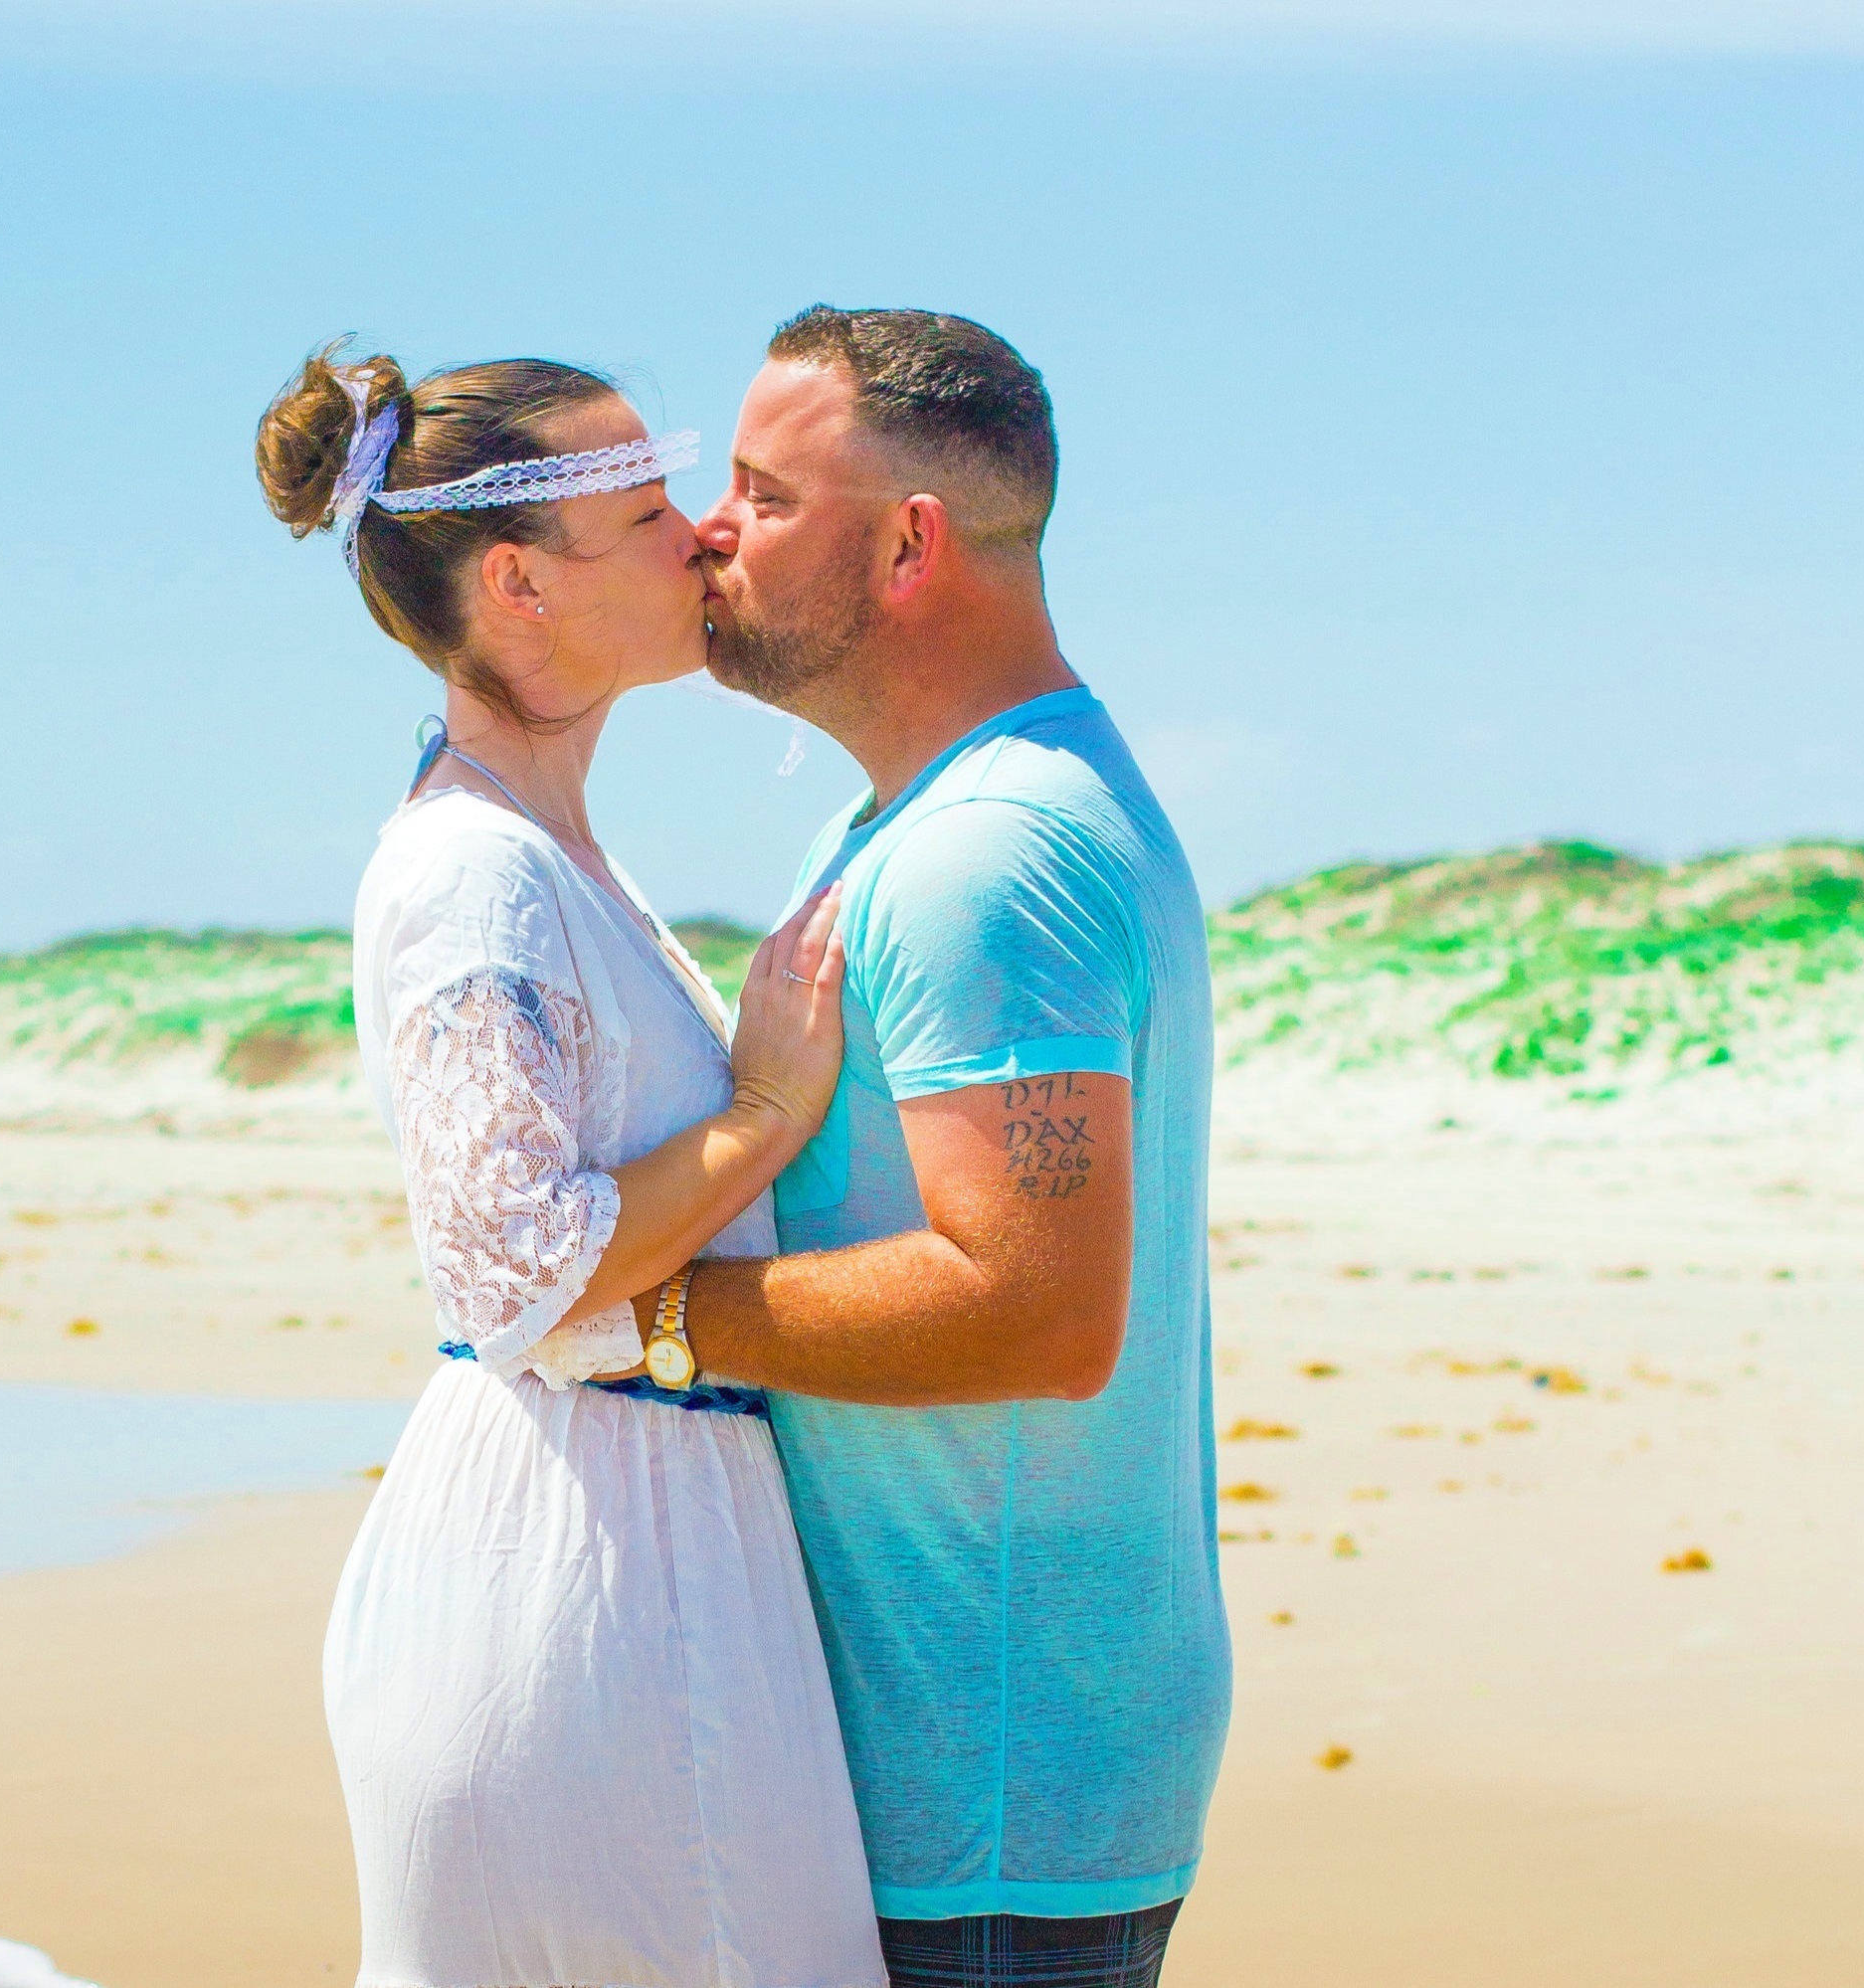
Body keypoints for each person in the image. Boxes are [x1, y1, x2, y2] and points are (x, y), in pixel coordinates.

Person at [255, 343, 887, 1988]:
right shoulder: (478, 873)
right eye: (646, 508)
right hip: (588, 1585)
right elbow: (517, 1264)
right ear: (520, 580)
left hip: (623, 1536)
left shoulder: (536, 851)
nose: (701, 534)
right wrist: (758, 1112)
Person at [638, 307, 1232, 1988]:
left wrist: (652, 1324)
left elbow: (1037, 1310)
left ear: (909, 543)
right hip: (965, 1766)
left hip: (986, 1789)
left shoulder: (991, 851)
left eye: (761, 494)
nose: (706, 534)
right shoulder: (911, 816)